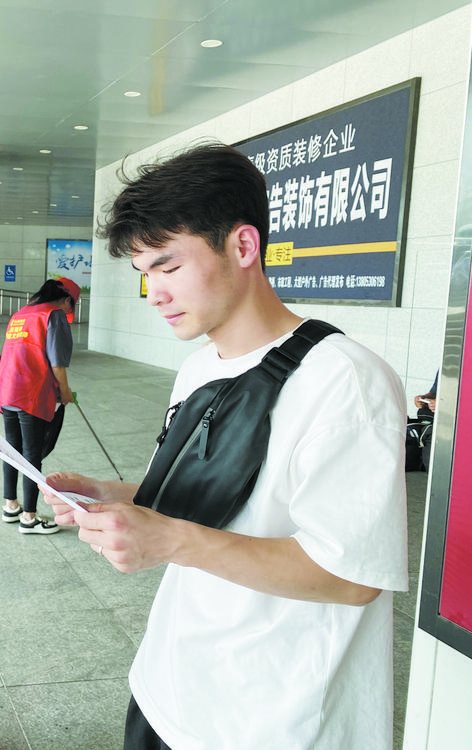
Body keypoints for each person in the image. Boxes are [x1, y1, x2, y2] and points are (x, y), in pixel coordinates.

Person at [41, 143, 408, 750]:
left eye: (168, 266)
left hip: (272, 721)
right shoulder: (199, 367)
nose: (154, 293)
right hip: (167, 686)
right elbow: (217, 498)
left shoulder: (345, 379)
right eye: (144, 274)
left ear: (243, 246)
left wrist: (170, 540)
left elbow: (351, 576)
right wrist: (114, 495)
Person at [0, 276, 80, 533]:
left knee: (12, 450)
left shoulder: (21, 314)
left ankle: (11, 506)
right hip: (30, 393)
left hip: (7, 389)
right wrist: (64, 391)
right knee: (31, 455)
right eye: (71, 306)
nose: (69, 310)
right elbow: (57, 363)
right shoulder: (53, 315)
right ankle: (29, 518)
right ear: (66, 300)